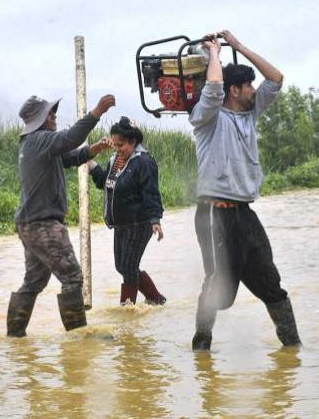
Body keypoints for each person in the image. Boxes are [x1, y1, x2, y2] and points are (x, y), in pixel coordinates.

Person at [188, 31, 302, 351]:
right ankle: (201, 348)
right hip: (215, 214)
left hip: (244, 214)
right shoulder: (207, 117)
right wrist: (214, 54)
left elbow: (276, 79)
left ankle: (293, 348)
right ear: (234, 91)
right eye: (248, 86)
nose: (254, 89)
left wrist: (239, 48)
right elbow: (212, 90)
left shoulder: (250, 114)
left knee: (271, 284)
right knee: (219, 292)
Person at [7, 94, 115, 337]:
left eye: (54, 113)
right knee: (72, 276)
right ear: (40, 120)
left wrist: (93, 149)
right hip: (43, 223)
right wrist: (96, 111)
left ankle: (14, 336)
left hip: (30, 223)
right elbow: (70, 138)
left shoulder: (33, 143)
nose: (54, 116)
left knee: (34, 281)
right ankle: (78, 336)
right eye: (50, 114)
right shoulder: (40, 139)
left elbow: (70, 157)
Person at [88, 116, 166, 306]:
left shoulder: (144, 162)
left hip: (139, 223)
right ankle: (156, 299)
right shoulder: (115, 160)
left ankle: (126, 311)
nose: (116, 148)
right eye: (114, 144)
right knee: (121, 266)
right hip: (121, 224)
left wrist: (155, 219)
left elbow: (151, 193)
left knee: (129, 267)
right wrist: (90, 164)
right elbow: (105, 183)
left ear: (133, 142)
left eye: (120, 144)